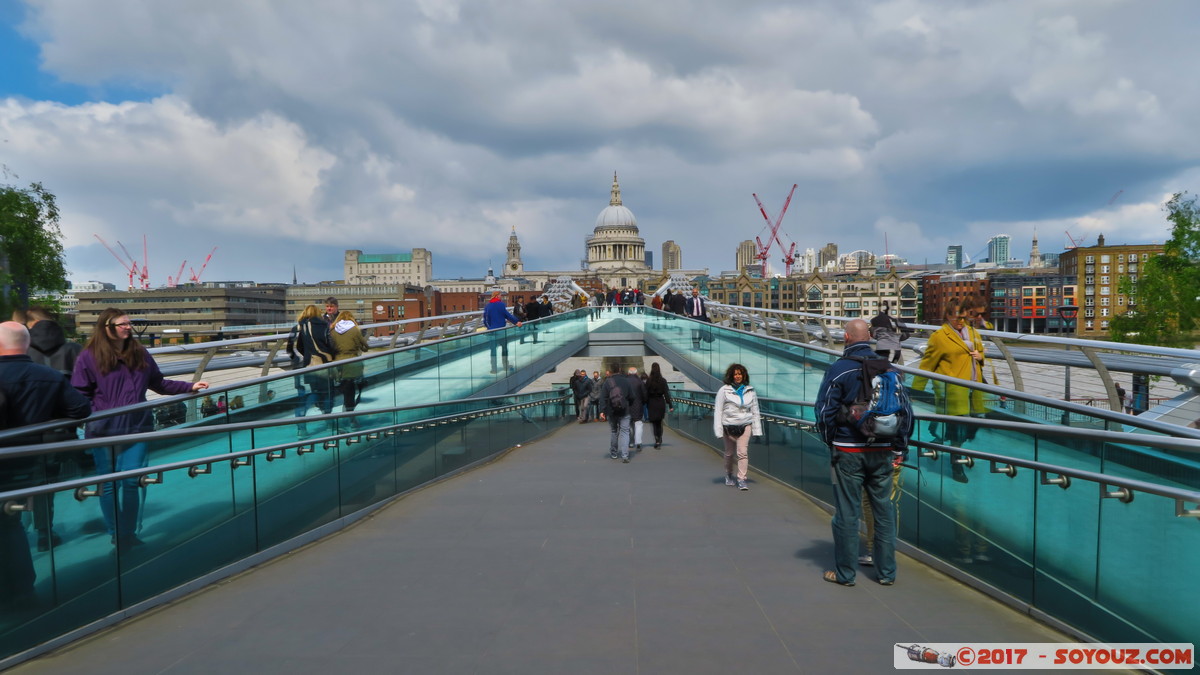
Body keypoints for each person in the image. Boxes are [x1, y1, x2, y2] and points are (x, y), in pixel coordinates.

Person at [71, 308, 208, 551]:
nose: (127, 327)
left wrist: (190, 386)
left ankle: (127, 532)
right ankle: (117, 533)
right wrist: (97, 414)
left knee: (132, 481)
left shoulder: (139, 352)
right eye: (122, 324)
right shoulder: (89, 356)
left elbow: (159, 383)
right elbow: (79, 395)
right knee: (110, 484)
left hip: (137, 427)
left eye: (128, 323)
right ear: (107, 328)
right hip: (103, 431)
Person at [814, 318, 911, 587]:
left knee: (847, 513)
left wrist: (831, 441)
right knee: (883, 512)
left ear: (846, 338)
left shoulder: (839, 369)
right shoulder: (889, 369)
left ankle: (845, 574)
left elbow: (824, 412)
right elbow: (907, 412)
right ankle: (886, 573)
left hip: (848, 450)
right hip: (882, 451)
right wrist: (900, 447)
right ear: (869, 337)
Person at [0, 321, 91, 600]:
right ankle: (22, 590)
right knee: (10, 524)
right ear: (26, 344)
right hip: (28, 461)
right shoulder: (47, 376)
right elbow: (81, 409)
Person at [910, 298, 990, 484]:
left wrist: (981, 356)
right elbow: (926, 366)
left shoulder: (972, 332)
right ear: (947, 315)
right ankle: (956, 465)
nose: (961, 321)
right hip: (953, 392)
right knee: (957, 432)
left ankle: (940, 436)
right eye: (957, 317)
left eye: (964, 317)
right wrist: (915, 392)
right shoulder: (939, 337)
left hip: (974, 390)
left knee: (972, 427)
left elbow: (980, 352)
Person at [287, 305, 336, 435]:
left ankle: (301, 428)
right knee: (326, 393)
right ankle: (329, 421)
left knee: (304, 398)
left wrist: (297, 360)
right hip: (322, 364)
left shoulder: (296, 328)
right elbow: (330, 345)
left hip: (302, 368)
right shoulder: (323, 326)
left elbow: (291, 348)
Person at [713, 363, 762, 491]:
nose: (738, 376)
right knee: (729, 453)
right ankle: (729, 474)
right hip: (728, 426)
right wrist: (718, 430)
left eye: (740, 374)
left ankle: (741, 479)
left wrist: (757, 430)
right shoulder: (724, 390)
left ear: (744, 375)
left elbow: (755, 410)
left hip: (745, 424)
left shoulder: (750, 390)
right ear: (731, 376)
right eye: (735, 374)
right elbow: (718, 410)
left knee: (742, 453)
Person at [331, 310, 369, 413]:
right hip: (352, 363)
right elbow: (365, 347)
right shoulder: (355, 330)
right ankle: (349, 414)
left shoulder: (333, 330)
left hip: (337, 364)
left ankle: (342, 413)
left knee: (343, 388)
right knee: (351, 391)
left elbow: (330, 347)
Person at [599, 367, 634, 463]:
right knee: (625, 432)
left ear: (610, 372)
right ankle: (625, 455)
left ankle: (614, 453)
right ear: (619, 370)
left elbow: (603, 397)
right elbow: (632, 396)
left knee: (614, 431)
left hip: (612, 411)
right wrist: (628, 404)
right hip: (625, 410)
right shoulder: (626, 381)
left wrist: (602, 411)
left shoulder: (607, 382)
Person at [483, 288, 522, 372]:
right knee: (504, 349)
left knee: (493, 350)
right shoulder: (501, 305)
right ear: (497, 296)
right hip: (501, 330)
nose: (501, 297)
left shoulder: (487, 306)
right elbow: (507, 315)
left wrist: (489, 328)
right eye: (500, 295)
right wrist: (516, 322)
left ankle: (494, 368)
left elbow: (485, 320)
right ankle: (505, 366)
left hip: (491, 331)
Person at [645, 362, 674, 448]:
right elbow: (666, 394)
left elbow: (645, 393)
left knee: (654, 423)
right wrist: (670, 405)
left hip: (652, 403)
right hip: (660, 402)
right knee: (659, 422)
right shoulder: (663, 380)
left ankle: (656, 439)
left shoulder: (649, 381)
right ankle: (660, 436)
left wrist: (645, 403)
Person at [626, 366, 647, 451]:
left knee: (629, 424)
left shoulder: (625, 381)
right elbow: (644, 394)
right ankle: (638, 442)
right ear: (636, 373)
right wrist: (644, 402)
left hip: (627, 406)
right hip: (638, 405)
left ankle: (631, 442)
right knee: (638, 423)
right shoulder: (640, 382)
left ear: (628, 373)